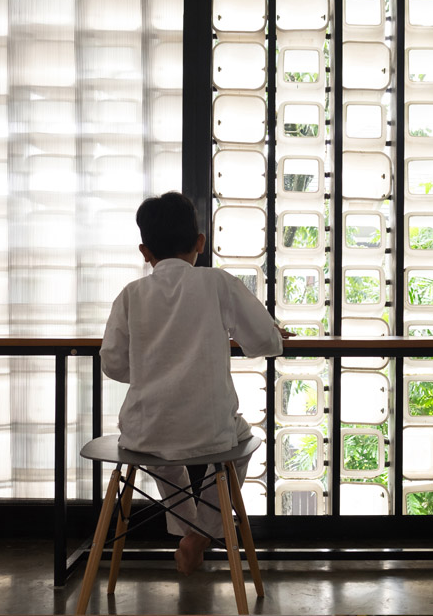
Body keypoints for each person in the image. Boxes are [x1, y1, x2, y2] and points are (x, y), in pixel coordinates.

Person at [100, 191, 290, 575]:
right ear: (200, 243)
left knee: (161, 453)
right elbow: (264, 343)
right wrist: (273, 330)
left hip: (145, 430)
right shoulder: (217, 283)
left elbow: (113, 362)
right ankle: (198, 535)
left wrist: (154, 371)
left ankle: (190, 532)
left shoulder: (131, 295)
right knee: (242, 442)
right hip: (209, 430)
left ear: (145, 251)